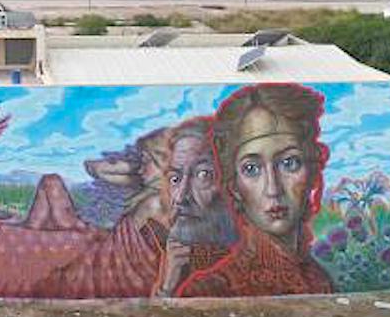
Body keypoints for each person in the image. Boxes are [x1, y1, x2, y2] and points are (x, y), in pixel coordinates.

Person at [42, 118, 235, 297]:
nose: (140, 168)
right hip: (105, 259)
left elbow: (95, 168)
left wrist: (161, 169)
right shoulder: (159, 195)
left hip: (103, 268)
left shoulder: (156, 203)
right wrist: (144, 168)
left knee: (51, 184)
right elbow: (93, 167)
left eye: (146, 162)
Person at [178, 83, 333, 297]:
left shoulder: (318, 278)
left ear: (312, 172)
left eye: (289, 163)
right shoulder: (211, 290)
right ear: (234, 188)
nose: (273, 188)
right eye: (251, 169)